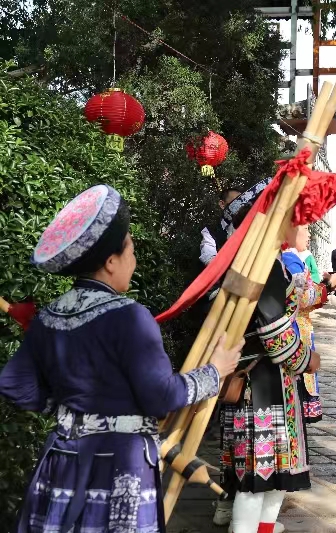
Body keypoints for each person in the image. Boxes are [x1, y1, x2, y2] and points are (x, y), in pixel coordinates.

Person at [0, 184, 243, 533]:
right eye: (131, 249)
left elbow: (14, 384)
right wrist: (214, 371)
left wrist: (72, 411)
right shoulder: (130, 316)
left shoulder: (50, 315)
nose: (134, 259)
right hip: (118, 467)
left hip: (61, 462)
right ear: (111, 261)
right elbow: (160, 397)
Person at [218, 198, 323, 533]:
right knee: (256, 477)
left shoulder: (262, 261)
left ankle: (263, 528)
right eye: (294, 218)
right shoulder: (261, 265)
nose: (300, 225)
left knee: (275, 472)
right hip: (260, 386)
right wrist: (307, 359)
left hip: (271, 383)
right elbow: (275, 334)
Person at [282, 225, 336, 422]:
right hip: (292, 334)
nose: (309, 234)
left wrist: (326, 286)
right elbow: (300, 298)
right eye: (305, 227)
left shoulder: (290, 258)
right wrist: (327, 286)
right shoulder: (289, 259)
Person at [200, 187, 243, 266]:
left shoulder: (251, 221)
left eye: (243, 201)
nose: (240, 205)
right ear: (222, 204)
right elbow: (208, 256)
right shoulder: (210, 232)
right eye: (236, 201)